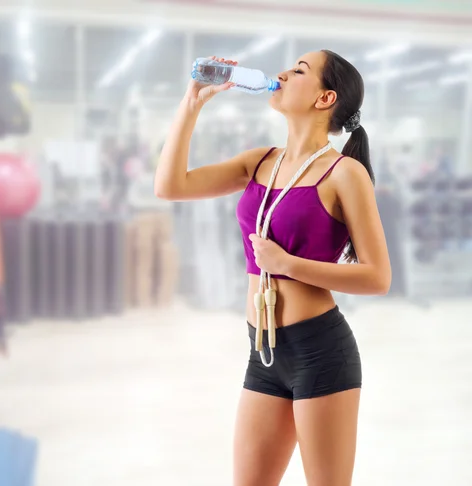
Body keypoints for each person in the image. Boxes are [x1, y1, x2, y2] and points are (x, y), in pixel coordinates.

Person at [154, 51, 391, 486]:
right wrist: (192, 104)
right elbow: (170, 186)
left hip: (320, 352)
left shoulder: (344, 173)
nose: (281, 73)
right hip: (264, 352)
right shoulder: (261, 161)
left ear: (325, 98)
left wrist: (287, 264)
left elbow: (377, 276)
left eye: (299, 70)